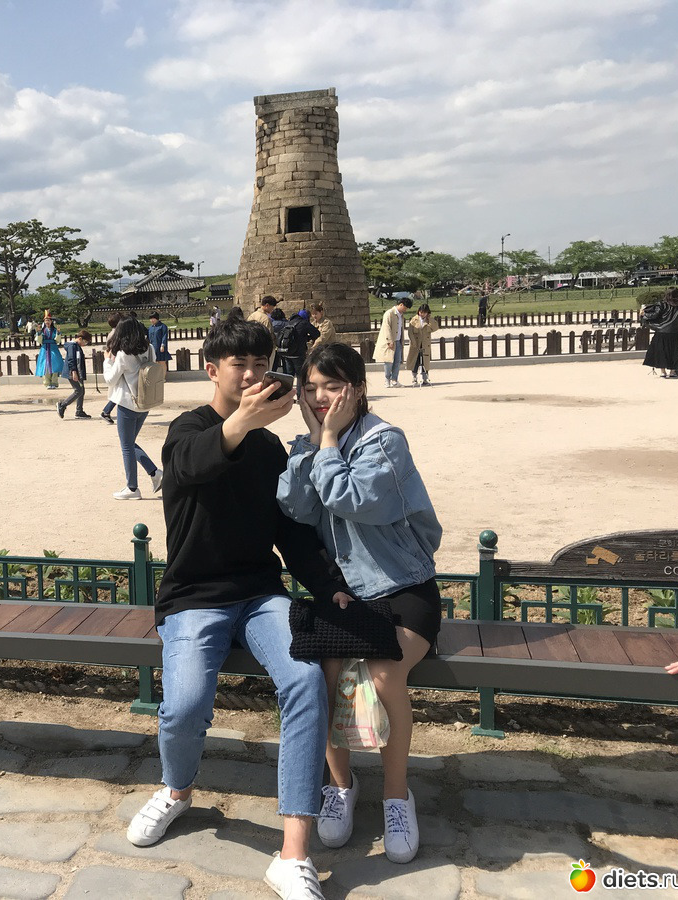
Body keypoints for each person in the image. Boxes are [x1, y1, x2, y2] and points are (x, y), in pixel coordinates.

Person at [127, 307, 352, 900]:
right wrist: (243, 421)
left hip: (259, 594)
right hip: (194, 596)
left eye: (261, 362)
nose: (252, 374)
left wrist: (328, 584)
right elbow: (189, 465)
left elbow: (290, 533)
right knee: (184, 705)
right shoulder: (188, 429)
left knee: (306, 681)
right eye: (239, 363)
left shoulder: (268, 448)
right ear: (212, 369)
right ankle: (177, 789)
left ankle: (293, 853)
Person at [277, 341, 443, 866]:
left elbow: (357, 500)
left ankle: (397, 797)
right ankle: (341, 786)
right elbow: (295, 507)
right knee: (323, 673)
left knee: (384, 674)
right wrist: (314, 443)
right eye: (311, 388)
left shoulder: (384, 441)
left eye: (333, 386)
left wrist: (326, 442)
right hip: (346, 591)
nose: (321, 397)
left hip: (404, 586)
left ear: (358, 388)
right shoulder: (309, 443)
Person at [103, 317, 161, 500]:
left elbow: (110, 380)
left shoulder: (123, 354)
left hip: (128, 404)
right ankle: (154, 473)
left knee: (127, 446)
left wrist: (107, 362)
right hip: (145, 402)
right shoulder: (149, 349)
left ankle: (132, 488)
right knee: (130, 443)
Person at [642, 287, 678, 378]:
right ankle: (672, 371)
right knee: (674, 351)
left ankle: (663, 371)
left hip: (661, 331)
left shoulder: (662, 304)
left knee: (661, 351)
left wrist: (644, 315)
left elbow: (655, 315)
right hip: (675, 332)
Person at [374, 298, 411, 388]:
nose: (405, 310)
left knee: (397, 361)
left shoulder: (401, 315)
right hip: (390, 341)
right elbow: (386, 327)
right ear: (401, 304)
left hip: (398, 341)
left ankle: (394, 380)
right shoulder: (389, 313)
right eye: (405, 308)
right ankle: (387, 379)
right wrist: (389, 340)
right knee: (389, 361)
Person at [279, 310, 320, 386]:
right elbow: (317, 333)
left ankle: (288, 392)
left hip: (287, 353)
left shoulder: (289, 322)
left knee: (289, 376)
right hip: (298, 354)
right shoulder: (304, 323)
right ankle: (300, 392)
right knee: (301, 376)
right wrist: (307, 338)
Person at [57, 330, 92, 419]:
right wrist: (74, 372)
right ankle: (62, 405)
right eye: (85, 342)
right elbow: (71, 359)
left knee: (81, 390)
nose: (85, 344)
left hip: (78, 371)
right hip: (73, 372)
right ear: (80, 338)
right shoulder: (72, 346)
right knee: (78, 391)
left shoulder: (76, 346)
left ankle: (79, 411)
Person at [407, 304, 438, 386]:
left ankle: (425, 379)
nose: (422, 314)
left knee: (425, 361)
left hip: (425, 344)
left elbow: (435, 328)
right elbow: (410, 332)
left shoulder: (429, 320)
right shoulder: (414, 319)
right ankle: (414, 378)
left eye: (424, 312)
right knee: (415, 361)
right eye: (421, 312)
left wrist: (429, 319)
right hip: (416, 344)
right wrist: (413, 341)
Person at [101, 312, 122, 424]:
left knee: (119, 389)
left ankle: (107, 411)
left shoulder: (112, 333)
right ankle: (106, 411)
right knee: (120, 389)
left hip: (114, 360)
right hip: (116, 361)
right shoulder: (117, 333)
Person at [35, 313, 63, 389]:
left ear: (51, 321)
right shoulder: (42, 330)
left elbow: (57, 340)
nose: (47, 322)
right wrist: (39, 333)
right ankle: (47, 383)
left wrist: (58, 333)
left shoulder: (54, 330)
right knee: (45, 366)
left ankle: (54, 382)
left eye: (48, 320)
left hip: (53, 348)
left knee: (55, 365)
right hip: (45, 349)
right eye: (46, 320)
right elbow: (39, 341)